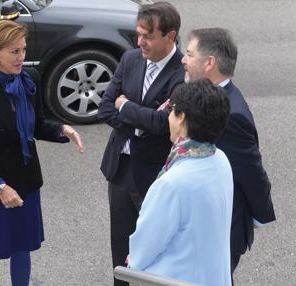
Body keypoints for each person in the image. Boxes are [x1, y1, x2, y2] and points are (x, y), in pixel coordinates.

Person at [0, 19, 84, 286]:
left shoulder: (30, 80)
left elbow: (36, 125)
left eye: (23, 50)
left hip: (26, 181)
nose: (21, 57)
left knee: (22, 247)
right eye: (14, 51)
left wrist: (62, 129)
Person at [96, 2, 184, 285]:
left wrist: (126, 106)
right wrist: (140, 120)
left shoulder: (182, 73)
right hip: (121, 170)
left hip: (155, 176)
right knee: (120, 247)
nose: (140, 42)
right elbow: (106, 108)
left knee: (156, 249)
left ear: (170, 36)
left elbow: (164, 125)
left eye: (147, 36)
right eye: (138, 34)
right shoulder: (130, 59)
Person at [181, 27, 276, 275]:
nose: (183, 59)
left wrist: (259, 216)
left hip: (218, 231)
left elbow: (251, 171)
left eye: (190, 54)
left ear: (209, 62)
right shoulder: (211, 97)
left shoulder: (231, 115)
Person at [129, 79, 233, 286]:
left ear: (182, 117)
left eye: (171, 110)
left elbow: (144, 247)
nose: (168, 116)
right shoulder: (220, 159)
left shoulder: (171, 183)